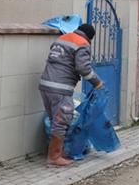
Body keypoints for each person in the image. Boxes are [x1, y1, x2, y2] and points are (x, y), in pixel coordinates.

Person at [39, 23, 103, 166]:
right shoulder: (83, 43)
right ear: (90, 38)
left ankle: (56, 152)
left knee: (54, 120)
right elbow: (83, 68)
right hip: (60, 87)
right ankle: (54, 157)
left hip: (45, 85)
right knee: (61, 120)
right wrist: (97, 82)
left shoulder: (62, 38)